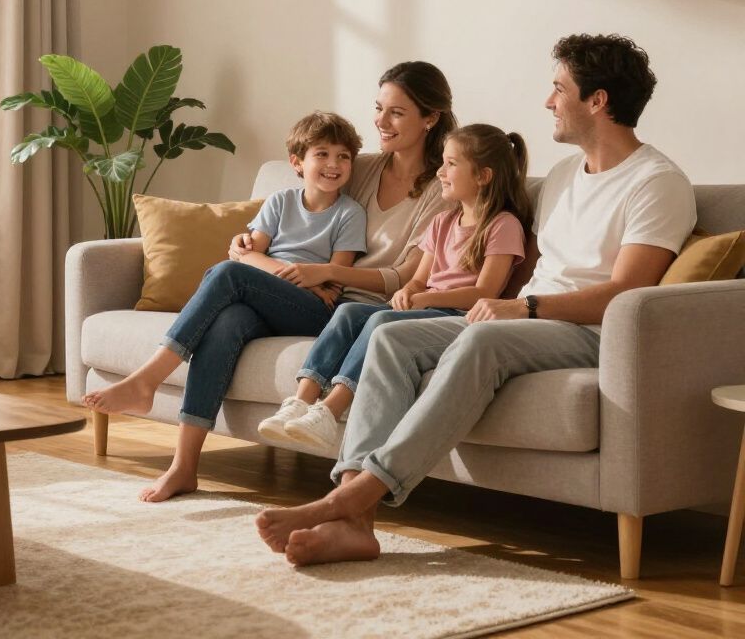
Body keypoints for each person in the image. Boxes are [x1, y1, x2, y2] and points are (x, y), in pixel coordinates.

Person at [255, 33, 697, 566]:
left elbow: (627, 294)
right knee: (389, 337)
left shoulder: (656, 182)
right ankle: (355, 526)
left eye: (559, 89)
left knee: (483, 341)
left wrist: (524, 308)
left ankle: (351, 497)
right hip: (529, 321)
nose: (548, 101)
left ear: (597, 100)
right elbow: (514, 258)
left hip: (588, 332)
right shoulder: (561, 177)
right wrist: (491, 298)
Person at [85, 62, 455, 503]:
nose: (381, 121)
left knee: (227, 276)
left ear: (430, 118)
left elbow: (406, 277)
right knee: (227, 324)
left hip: (348, 312)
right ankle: (183, 466)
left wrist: (327, 272)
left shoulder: (442, 187)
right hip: (301, 294)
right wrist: (248, 245)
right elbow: (304, 203)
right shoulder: (365, 168)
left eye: (397, 113)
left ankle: (148, 379)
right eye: (379, 109)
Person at [260, 123, 531, 454]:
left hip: (459, 314)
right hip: (425, 306)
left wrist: (426, 297)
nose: (441, 172)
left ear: (483, 176)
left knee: (378, 323)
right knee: (348, 312)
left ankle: (330, 412)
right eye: (442, 162)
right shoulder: (444, 221)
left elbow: (485, 292)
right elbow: (419, 277)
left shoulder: (503, 225)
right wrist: (409, 291)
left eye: (451, 165)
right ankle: (300, 403)